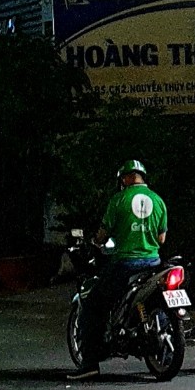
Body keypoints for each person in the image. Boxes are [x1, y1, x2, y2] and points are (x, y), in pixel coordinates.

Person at [69, 158, 168, 377]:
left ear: (126, 178)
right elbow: (161, 239)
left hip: (126, 264)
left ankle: (90, 363)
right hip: (153, 263)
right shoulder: (158, 200)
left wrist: (96, 242)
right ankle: (163, 352)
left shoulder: (119, 200)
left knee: (93, 304)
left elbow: (103, 234)